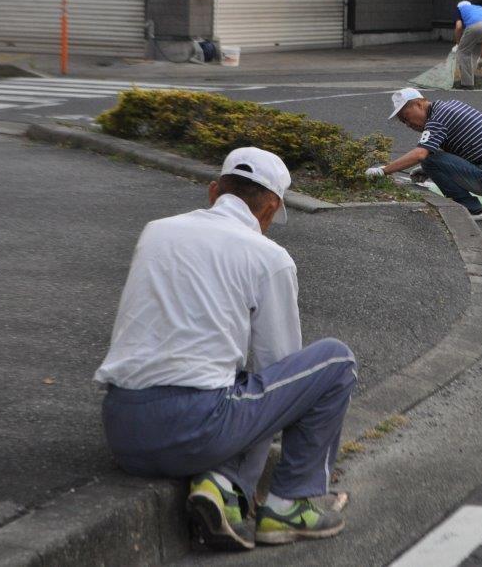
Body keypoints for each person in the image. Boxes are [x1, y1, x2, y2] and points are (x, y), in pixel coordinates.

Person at [95, 147, 356, 551]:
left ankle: (222, 488)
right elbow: (280, 368)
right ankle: (288, 503)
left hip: (123, 428)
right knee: (335, 361)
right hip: (195, 429)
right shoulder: (269, 256)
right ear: (270, 206)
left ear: (214, 190)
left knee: (235, 382)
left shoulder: (156, 231)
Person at [366, 88, 482, 221]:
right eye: (403, 122)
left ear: (419, 104)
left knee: (429, 159)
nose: (408, 124)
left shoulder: (436, 120)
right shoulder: (451, 106)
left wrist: (383, 170)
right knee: (468, 153)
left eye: (406, 117)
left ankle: (471, 208)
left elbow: (420, 154)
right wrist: (427, 171)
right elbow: (465, 149)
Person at [452, 0, 482, 90]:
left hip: (475, 25)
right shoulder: (479, 8)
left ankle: (467, 84)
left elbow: (458, 27)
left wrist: (459, 44)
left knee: (464, 52)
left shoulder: (459, 9)